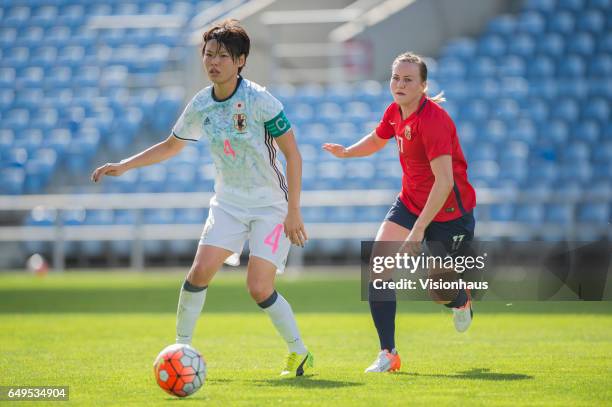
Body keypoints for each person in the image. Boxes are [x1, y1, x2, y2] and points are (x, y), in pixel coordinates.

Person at [92, 19, 313, 377]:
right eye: (208, 54)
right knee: (198, 273)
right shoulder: (200, 104)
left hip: (270, 207)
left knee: (258, 287)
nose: (213, 62)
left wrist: (293, 211)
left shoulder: (260, 101)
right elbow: (170, 145)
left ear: (241, 61)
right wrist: (125, 165)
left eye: (223, 56)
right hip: (227, 204)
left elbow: (294, 155)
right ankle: (181, 348)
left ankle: (299, 352)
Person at [323, 52, 476, 373]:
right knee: (378, 266)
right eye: (395, 78)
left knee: (439, 291)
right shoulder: (395, 111)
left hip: (448, 212)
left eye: (408, 79)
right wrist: (348, 152)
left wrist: (419, 230)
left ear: (423, 86)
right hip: (409, 202)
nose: (400, 84)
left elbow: (445, 182)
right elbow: (379, 138)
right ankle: (388, 353)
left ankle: (461, 299)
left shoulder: (434, 121)